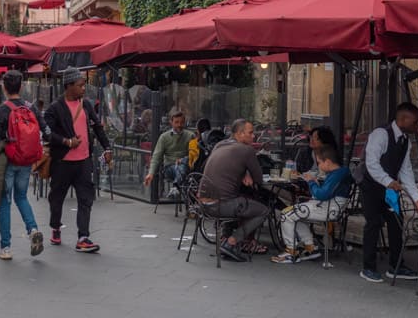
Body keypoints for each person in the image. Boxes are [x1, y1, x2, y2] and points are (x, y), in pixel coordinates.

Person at [44, 67, 112, 253]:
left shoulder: (87, 105)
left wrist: (107, 148)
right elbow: (48, 133)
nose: (84, 89)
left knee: (86, 198)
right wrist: (67, 141)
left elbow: (97, 128)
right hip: (62, 161)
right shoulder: (55, 108)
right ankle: (56, 227)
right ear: (69, 86)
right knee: (56, 198)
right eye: (80, 85)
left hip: (83, 160)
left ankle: (83, 237)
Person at [360, 102, 418, 283]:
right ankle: (368, 267)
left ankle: (396, 265)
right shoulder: (380, 134)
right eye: (415, 122)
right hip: (372, 187)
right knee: (373, 224)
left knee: (397, 224)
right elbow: (371, 163)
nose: (417, 126)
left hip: (390, 189)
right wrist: (388, 181)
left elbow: (406, 170)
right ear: (403, 119)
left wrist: (417, 198)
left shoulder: (406, 141)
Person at [0, 70, 45, 260]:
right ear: (21, 86)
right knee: (22, 196)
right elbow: (45, 130)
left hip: (8, 160)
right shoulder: (32, 108)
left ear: (4, 88)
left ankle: (5, 248)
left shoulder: (1, 110)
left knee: (5, 202)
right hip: (27, 160)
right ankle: (33, 229)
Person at [197, 118, 269, 263]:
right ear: (240, 134)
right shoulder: (247, 150)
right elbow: (259, 180)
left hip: (202, 205)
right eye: (251, 132)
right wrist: (249, 173)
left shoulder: (220, 144)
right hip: (221, 205)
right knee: (263, 210)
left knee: (238, 198)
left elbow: (227, 166)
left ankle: (226, 236)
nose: (253, 136)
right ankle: (232, 242)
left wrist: (244, 173)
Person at [272, 146, 353, 264]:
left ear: (328, 162)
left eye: (319, 163)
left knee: (286, 214)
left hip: (326, 209)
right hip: (330, 208)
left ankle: (291, 252)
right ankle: (310, 247)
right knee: (294, 214)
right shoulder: (340, 172)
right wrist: (314, 183)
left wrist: (311, 182)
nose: (318, 166)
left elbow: (322, 195)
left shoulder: (337, 174)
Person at [144, 111, 193, 197]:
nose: (179, 125)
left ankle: (176, 188)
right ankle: (176, 187)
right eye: (176, 122)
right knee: (179, 168)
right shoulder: (164, 137)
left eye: (181, 122)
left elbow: (194, 154)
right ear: (171, 122)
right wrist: (151, 173)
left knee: (182, 166)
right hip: (169, 167)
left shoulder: (190, 135)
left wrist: (183, 160)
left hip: (186, 165)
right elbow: (156, 156)